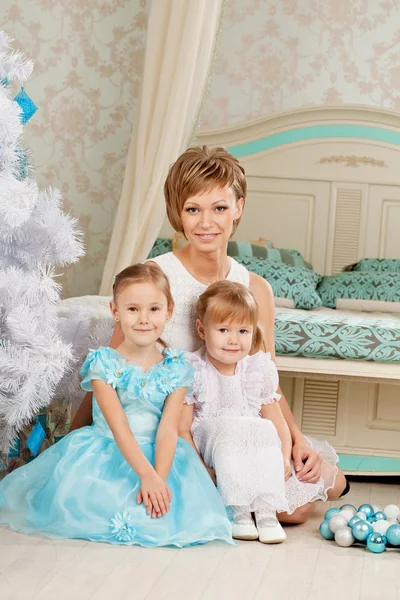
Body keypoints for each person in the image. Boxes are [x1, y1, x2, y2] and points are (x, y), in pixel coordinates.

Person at [71, 146, 348, 523]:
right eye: (192, 209)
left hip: (236, 420)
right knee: (290, 511)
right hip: (175, 427)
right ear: (178, 213)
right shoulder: (156, 277)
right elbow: (112, 366)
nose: (206, 222)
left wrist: (296, 437)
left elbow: (265, 378)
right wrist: (73, 439)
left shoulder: (255, 288)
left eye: (219, 208)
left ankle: (290, 477)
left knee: (326, 482)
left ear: (238, 208)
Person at [0, 263, 233, 548]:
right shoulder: (103, 364)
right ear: (115, 311)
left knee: (165, 510)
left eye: (154, 309)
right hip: (108, 449)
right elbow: (119, 426)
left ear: (168, 311)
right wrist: (145, 476)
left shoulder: (176, 368)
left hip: (162, 455)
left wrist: (158, 479)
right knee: (110, 507)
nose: (144, 319)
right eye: (133, 309)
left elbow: (168, 430)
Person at [180, 281, 339, 543]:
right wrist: (201, 469)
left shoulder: (256, 369)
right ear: (201, 329)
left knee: (266, 433)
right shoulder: (194, 370)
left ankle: (265, 513)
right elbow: (181, 429)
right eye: (223, 330)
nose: (234, 340)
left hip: (256, 456)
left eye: (243, 330)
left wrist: (282, 462)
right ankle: (239, 513)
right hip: (216, 454)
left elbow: (277, 424)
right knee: (230, 427)